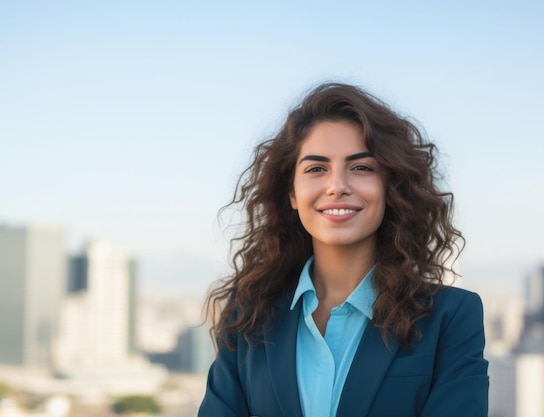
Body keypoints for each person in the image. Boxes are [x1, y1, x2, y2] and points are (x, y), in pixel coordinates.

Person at [198, 82, 489, 417]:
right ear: (291, 193)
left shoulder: (450, 317)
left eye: (361, 167)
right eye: (316, 169)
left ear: (390, 187)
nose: (337, 186)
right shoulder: (248, 313)